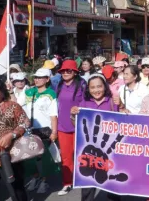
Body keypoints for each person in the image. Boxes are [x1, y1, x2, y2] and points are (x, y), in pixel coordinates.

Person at [70, 74, 120, 201]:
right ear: (88, 89)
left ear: (105, 87)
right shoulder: (84, 102)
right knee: (87, 183)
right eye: (92, 87)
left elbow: (123, 121)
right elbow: (77, 125)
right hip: (89, 149)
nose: (96, 90)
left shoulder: (112, 101)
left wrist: (123, 107)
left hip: (110, 150)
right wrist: (73, 115)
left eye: (99, 86)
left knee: (113, 183)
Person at [21, 68, 59, 194]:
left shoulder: (51, 94)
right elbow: (18, 105)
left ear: (47, 79)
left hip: (44, 129)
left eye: (40, 77)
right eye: (36, 77)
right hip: (29, 129)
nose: (37, 80)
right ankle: (35, 177)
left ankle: (44, 179)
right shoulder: (28, 92)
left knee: (44, 157)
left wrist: (54, 132)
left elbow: (53, 115)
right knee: (30, 157)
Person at [55, 60, 86, 196]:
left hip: (79, 125)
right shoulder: (59, 85)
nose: (66, 73)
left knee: (81, 155)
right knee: (66, 157)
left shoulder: (82, 85)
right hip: (62, 126)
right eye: (63, 71)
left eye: (69, 71)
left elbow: (87, 102)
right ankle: (67, 183)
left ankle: (84, 179)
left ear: (75, 72)